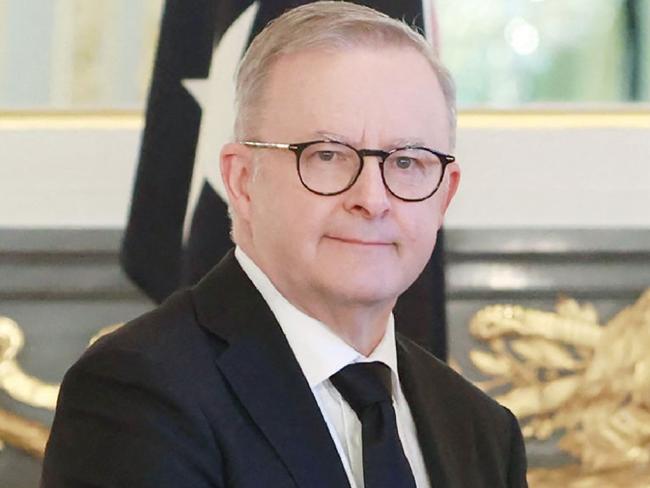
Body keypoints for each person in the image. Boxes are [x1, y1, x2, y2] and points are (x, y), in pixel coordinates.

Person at [41, 2, 527, 487]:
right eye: (328, 156)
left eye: (407, 163)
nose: (372, 199)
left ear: (444, 195)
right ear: (243, 181)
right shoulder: (137, 392)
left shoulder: (481, 429)